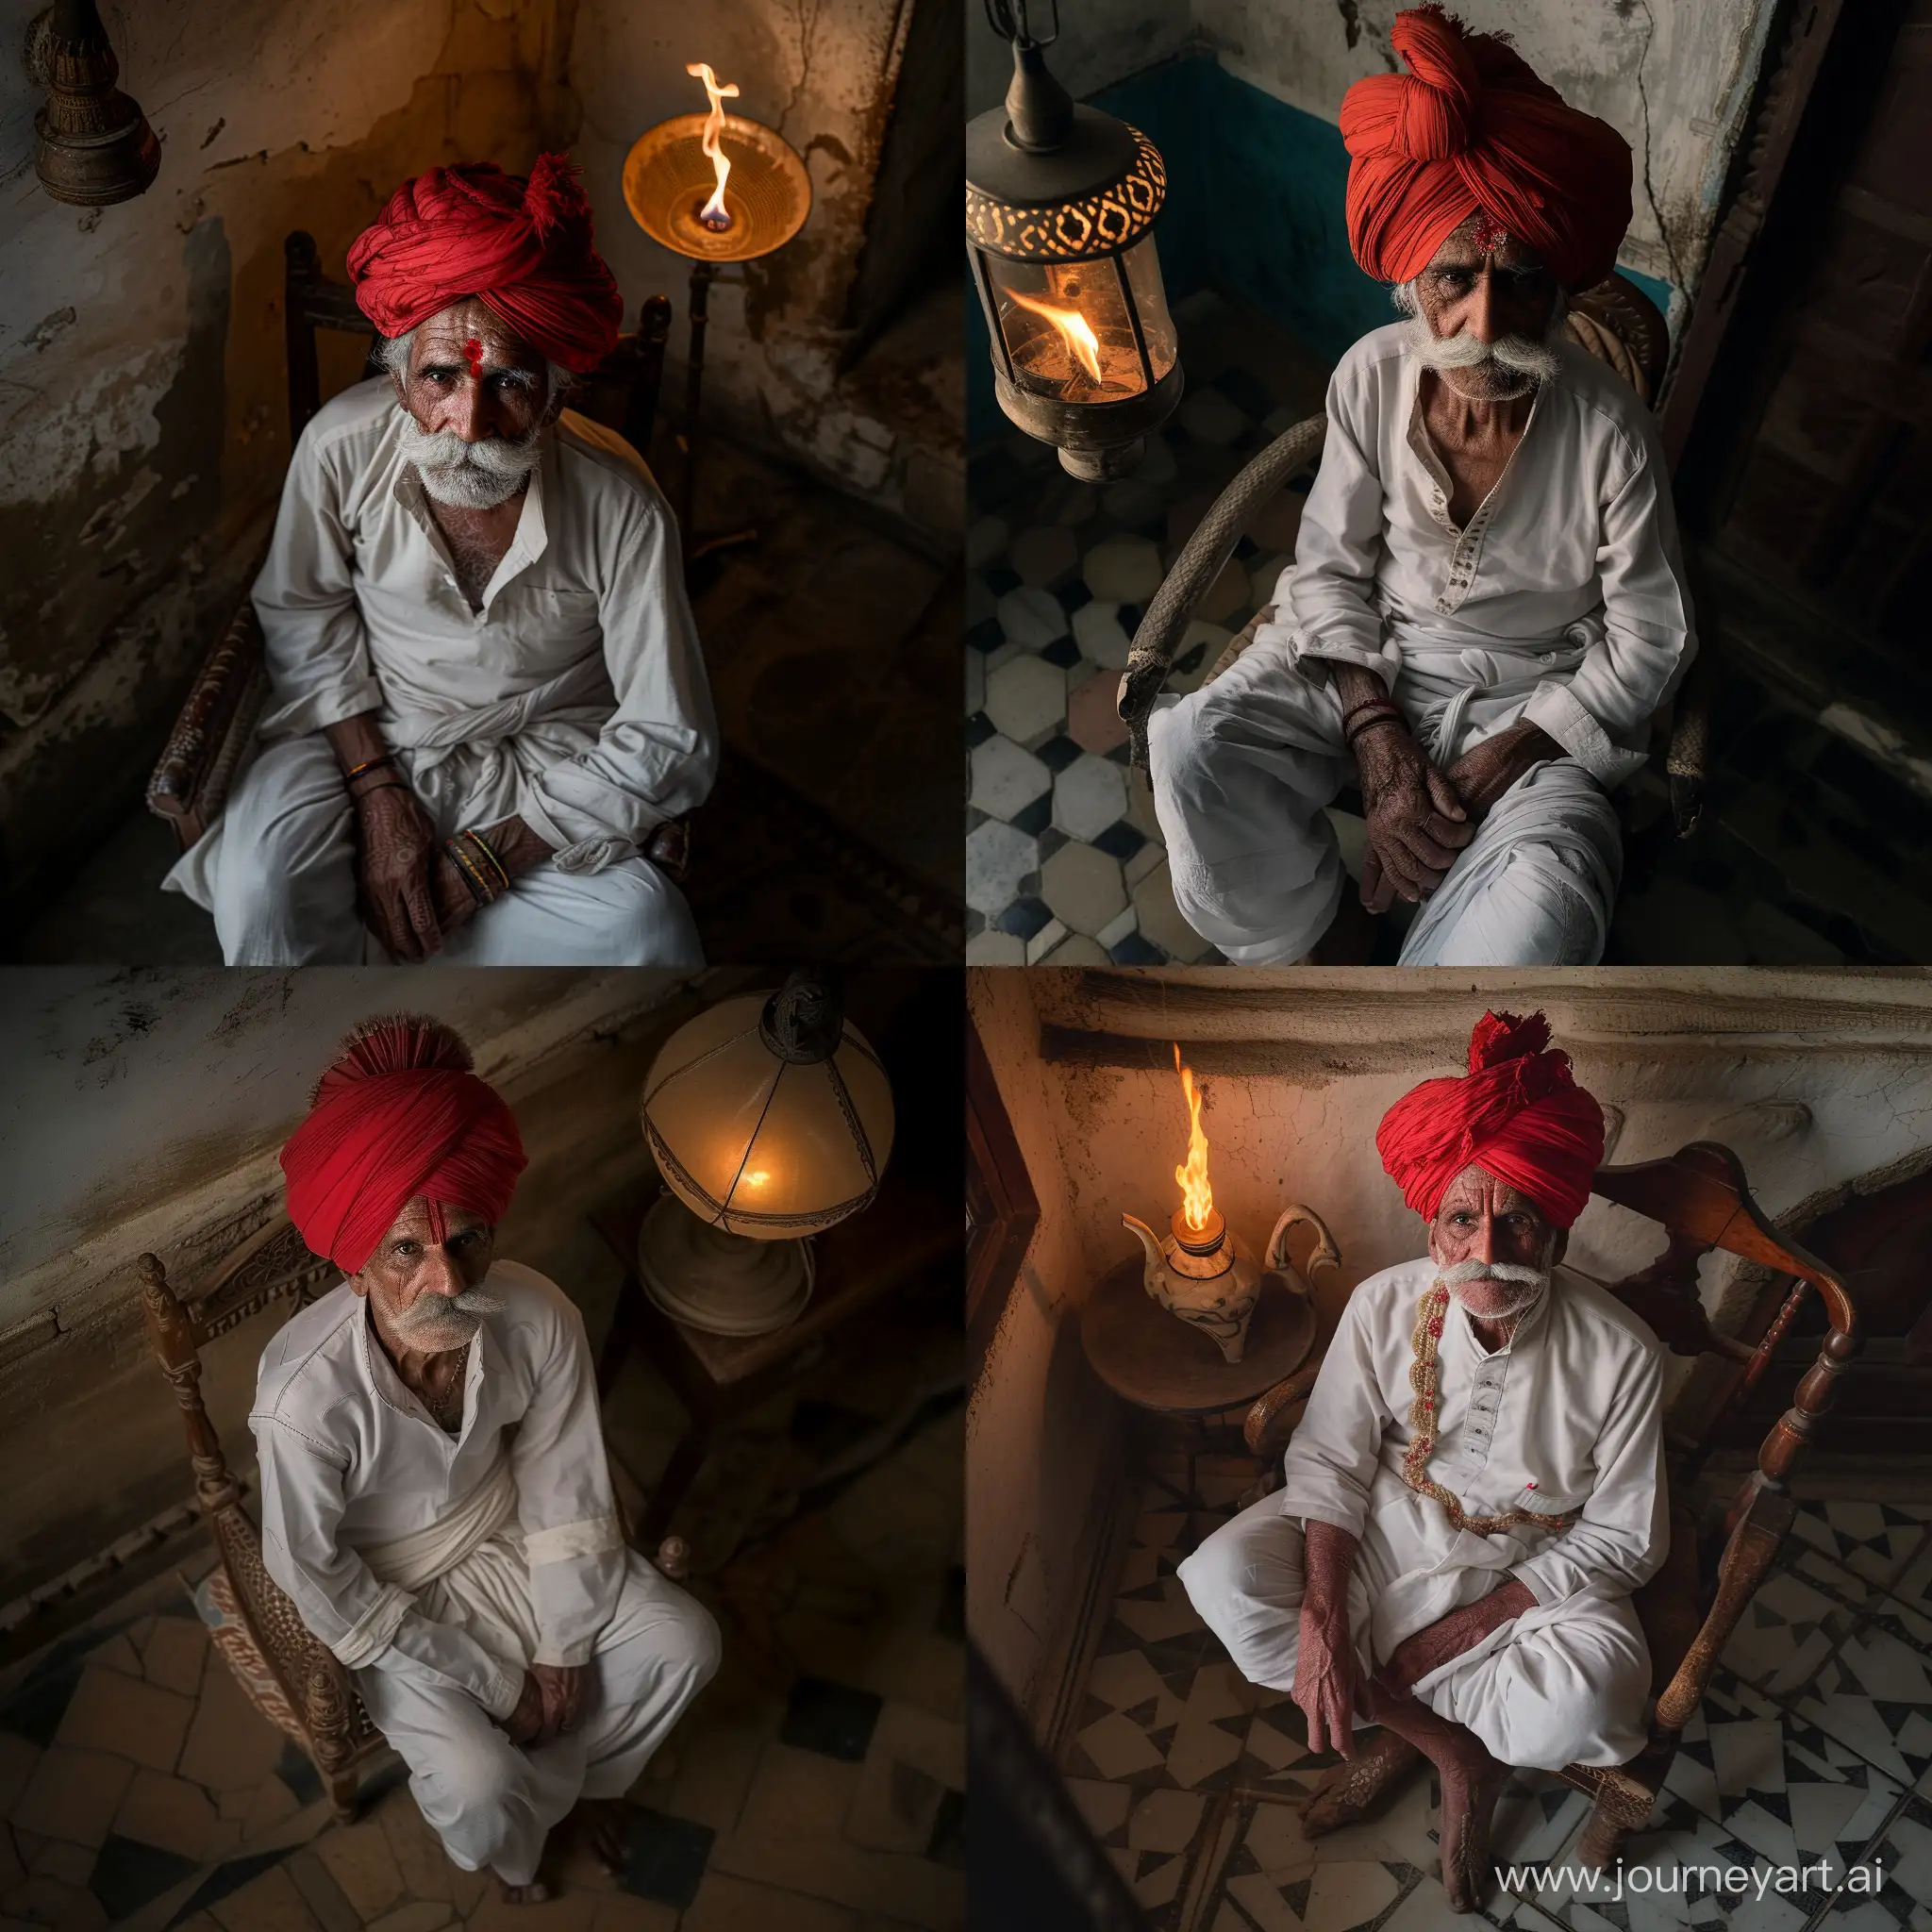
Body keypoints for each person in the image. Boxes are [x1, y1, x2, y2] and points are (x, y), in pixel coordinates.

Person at [1148, 6, 1695, 967]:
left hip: (1528, 693)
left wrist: (1516, 747)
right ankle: (1321, 937)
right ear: (1406, 283)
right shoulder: (1367, 372)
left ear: (1560, 292)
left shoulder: (1610, 429)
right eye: (1453, 279)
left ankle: (1421, 1018)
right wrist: (1375, 730)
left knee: (1552, 900)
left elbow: (1652, 636)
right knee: (1191, 746)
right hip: (1372, 652)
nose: (1485, 321)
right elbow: (1328, 569)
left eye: (1522, 280)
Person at [165, 155, 717, 967]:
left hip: (546, 765)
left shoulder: (623, 504)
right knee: (261, 889)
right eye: (441, 376)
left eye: (511, 384)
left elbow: (668, 731)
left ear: (558, 392)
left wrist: (498, 857)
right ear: (397, 380)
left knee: (646, 936)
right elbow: (301, 611)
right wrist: (376, 789)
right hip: (364, 732)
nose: (469, 422)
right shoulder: (339, 448)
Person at [1177, 1010, 1665, 1911]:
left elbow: (1628, 1538)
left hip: (1531, 1573)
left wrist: (1474, 1625)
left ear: (1557, 1233)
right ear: (1431, 1231)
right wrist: (1324, 1614)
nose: (1487, 1253)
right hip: (1387, 1527)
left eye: (1517, 1225)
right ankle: (1451, 1751)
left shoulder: (1621, 1352)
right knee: (1222, 1580)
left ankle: (1415, 1727)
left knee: (1587, 1708)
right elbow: (1327, 1456)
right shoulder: (1381, 1303)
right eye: (1461, 1221)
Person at [253, 1014, 720, 1899]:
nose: (450, 1283)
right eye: (406, 1253)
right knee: (479, 1780)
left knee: (685, 1643)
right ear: (354, 1268)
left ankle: (569, 1794)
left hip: (510, 1530)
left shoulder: (539, 1317)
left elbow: (563, 1475)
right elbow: (313, 1569)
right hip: (392, 1596)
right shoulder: (298, 1403)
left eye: (466, 1240)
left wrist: (563, 1644)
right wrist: (499, 1683)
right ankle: (518, 1848)